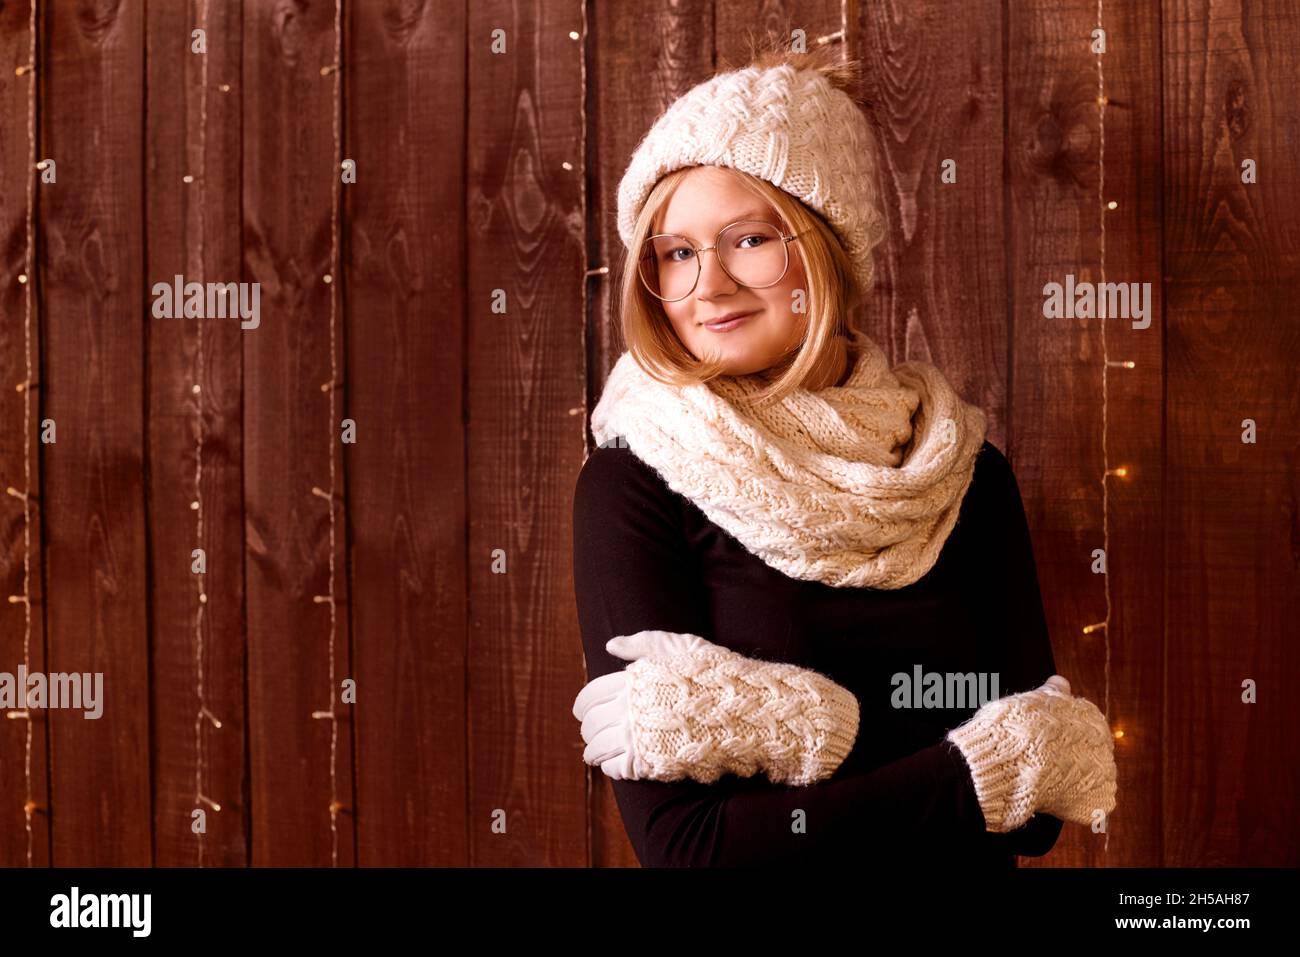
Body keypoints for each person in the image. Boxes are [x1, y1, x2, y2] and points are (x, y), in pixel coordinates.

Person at [570, 44, 1117, 868]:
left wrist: (801, 728)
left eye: (748, 239)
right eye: (676, 252)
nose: (706, 285)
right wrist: (972, 770)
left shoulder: (962, 472)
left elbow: (1041, 811)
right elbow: (689, 848)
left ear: (831, 248)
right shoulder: (634, 481)